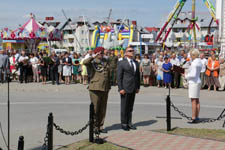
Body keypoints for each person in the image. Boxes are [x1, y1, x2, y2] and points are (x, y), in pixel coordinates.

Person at [83, 47, 111, 133]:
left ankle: (100, 126)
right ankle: (94, 127)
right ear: (96, 53)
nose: (102, 54)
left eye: (102, 53)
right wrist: (93, 56)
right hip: (95, 87)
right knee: (95, 108)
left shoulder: (105, 61)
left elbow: (108, 74)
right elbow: (84, 62)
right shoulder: (92, 62)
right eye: (100, 53)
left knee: (103, 108)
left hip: (105, 88)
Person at [117, 47, 140, 131]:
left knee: (130, 107)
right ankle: (124, 123)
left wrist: (138, 87)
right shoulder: (122, 63)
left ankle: (129, 123)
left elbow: (137, 76)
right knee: (124, 107)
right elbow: (119, 77)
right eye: (130, 51)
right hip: (125, 88)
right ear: (126, 53)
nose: (132, 52)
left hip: (133, 88)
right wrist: (120, 88)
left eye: (133, 51)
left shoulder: (136, 63)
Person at [184, 49, 202, 123]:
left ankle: (193, 117)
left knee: (193, 100)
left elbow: (193, 74)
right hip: (197, 81)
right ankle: (197, 116)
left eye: (191, 55)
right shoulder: (199, 61)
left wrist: (186, 76)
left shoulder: (194, 63)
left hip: (193, 82)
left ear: (194, 55)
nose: (190, 56)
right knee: (197, 100)